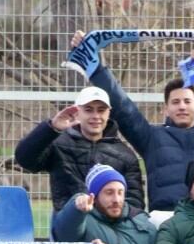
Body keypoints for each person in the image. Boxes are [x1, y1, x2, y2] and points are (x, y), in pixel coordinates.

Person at [78, 32, 194, 211]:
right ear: (165, 109)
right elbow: (123, 108)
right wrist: (94, 67)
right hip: (164, 219)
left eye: (187, 101)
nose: (181, 106)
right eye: (175, 102)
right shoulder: (151, 137)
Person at [15, 86, 146, 224]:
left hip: (108, 226)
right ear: (77, 112)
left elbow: (134, 202)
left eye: (101, 110)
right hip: (67, 222)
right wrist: (52, 128)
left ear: (109, 113)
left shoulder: (125, 155)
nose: (96, 116)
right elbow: (25, 160)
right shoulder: (58, 144)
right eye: (88, 110)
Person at [51, 164, 159, 244]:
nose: (116, 199)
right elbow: (64, 233)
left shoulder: (142, 224)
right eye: (109, 193)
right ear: (95, 196)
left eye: (120, 192)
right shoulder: (82, 218)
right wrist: (76, 209)